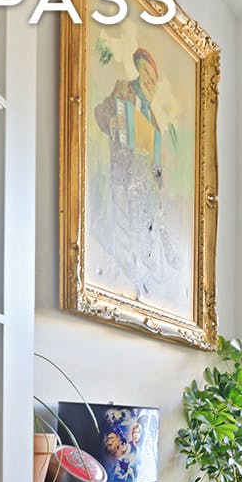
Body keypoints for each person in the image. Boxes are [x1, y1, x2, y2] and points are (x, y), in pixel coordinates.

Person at [93, 47, 180, 296]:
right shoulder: (124, 90)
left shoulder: (153, 120)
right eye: (147, 75)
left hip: (143, 176)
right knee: (135, 210)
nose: (149, 82)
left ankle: (150, 262)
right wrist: (113, 122)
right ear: (139, 72)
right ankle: (140, 259)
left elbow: (156, 161)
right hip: (123, 168)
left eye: (153, 80)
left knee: (150, 211)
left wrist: (158, 178)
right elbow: (101, 113)